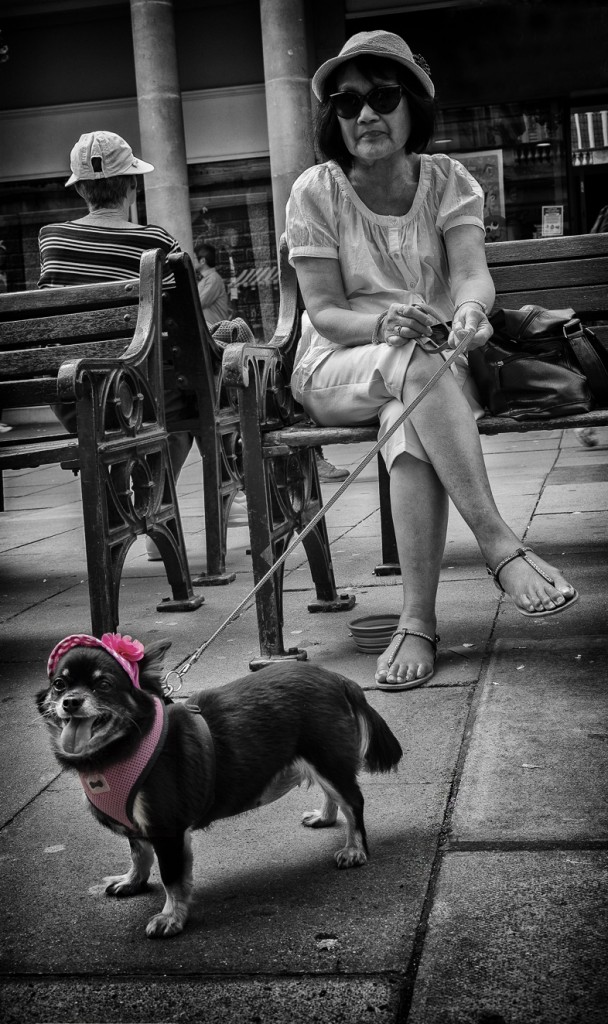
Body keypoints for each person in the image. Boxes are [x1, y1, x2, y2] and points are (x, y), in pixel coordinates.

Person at [285, 30, 578, 691]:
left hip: (429, 373)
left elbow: (473, 277)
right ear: (333, 116)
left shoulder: (448, 180)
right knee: (410, 363)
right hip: (338, 366)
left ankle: (417, 622)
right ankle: (499, 544)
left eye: (383, 95)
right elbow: (325, 310)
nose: (365, 114)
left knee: (404, 427)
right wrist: (382, 322)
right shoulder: (316, 191)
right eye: (347, 100)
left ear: (414, 103)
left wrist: (471, 311)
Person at [38, 131, 194, 559]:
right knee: (182, 420)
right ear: (131, 185)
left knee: (126, 409)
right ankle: (152, 509)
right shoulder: (157, 242)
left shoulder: (51, 240)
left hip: (78, 396)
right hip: (144, 397)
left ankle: (128, 510)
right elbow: (186, 322)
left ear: (83, 189)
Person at [194, 240, 230, 326]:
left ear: (202, 261)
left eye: (194, 258)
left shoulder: (213, 279)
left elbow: (199, 303)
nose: (192, 261)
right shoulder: (205, 279)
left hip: (216, 332)